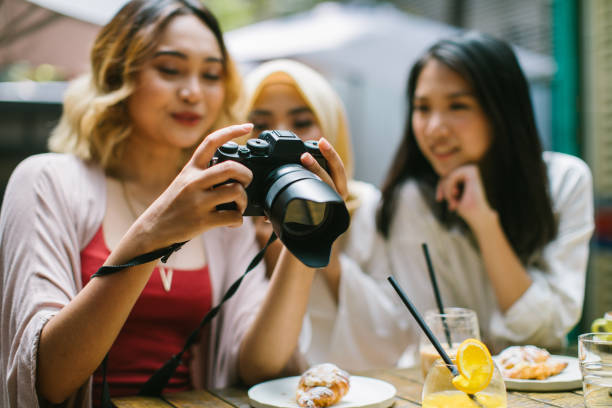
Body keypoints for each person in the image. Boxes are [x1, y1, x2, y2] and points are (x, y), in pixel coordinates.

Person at [0, 1, 348, 407]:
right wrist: (155, 233)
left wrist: (304, 234)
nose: (193, 92)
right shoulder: (46, 181)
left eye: (212, 75)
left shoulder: (226, 196)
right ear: (118, 74)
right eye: (169, 70)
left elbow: (258, 368)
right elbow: (47, 381)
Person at [293, 32, 594, 370]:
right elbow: (426, 336)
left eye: (458, 106)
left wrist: (485, 223)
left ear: (502, 110)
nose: (435, 127)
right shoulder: (412, 201)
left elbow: (547, 331)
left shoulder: (565, 181)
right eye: (422, 108)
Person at [242, 59, 381, 367]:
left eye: (302, 122)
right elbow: (249, 364)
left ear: (331, 129)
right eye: (261, 125)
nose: (280, 138)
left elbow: (392, 335)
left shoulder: (367, 208)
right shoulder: (230, 217)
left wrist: (321, 245)